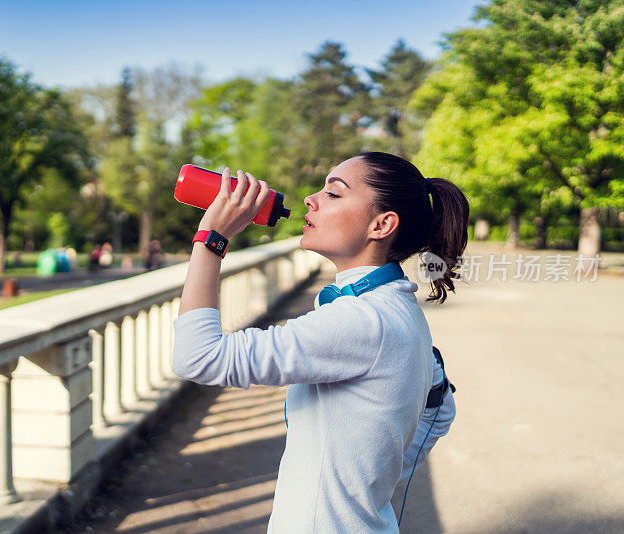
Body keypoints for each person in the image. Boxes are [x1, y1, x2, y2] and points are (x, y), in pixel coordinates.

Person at [172, 152, 468, 532]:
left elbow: (198, 357)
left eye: (334, 193)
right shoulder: (393, 305)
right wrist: (366, 486)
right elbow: (439, 403)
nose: (312, 198)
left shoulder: (360, 320)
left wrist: (211, 238)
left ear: (381, 225)